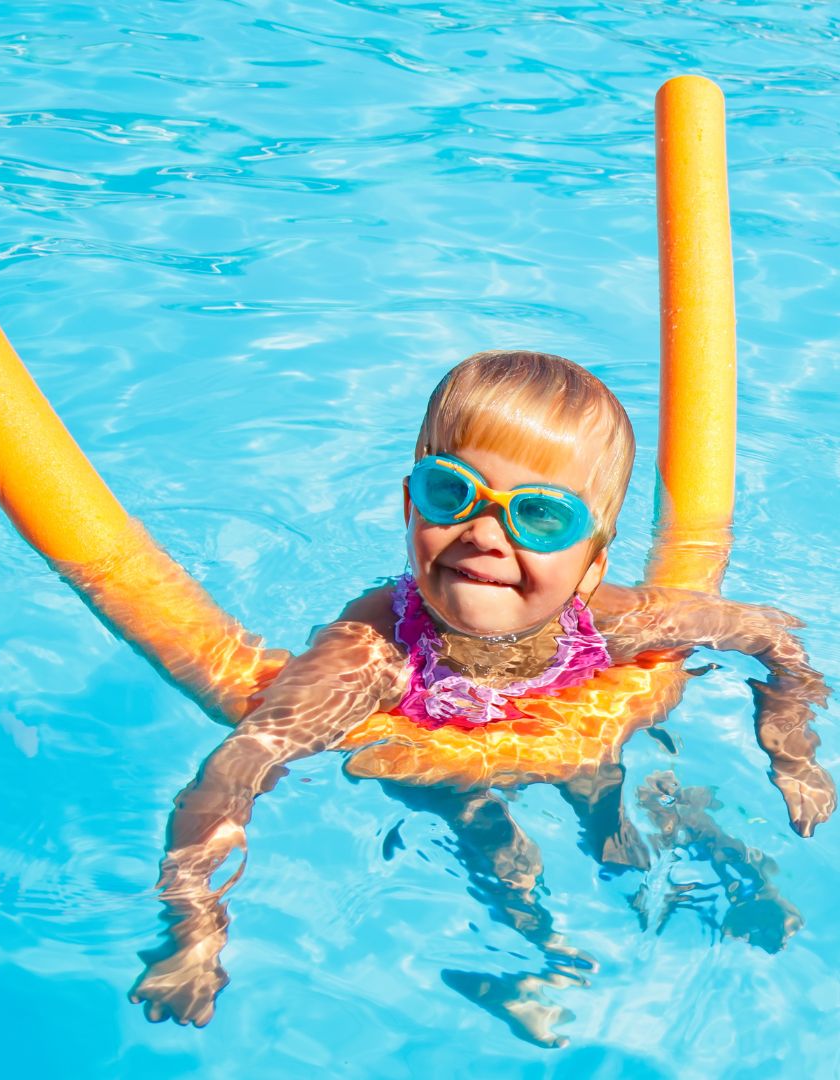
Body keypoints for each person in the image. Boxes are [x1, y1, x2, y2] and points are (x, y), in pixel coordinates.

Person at [129, 350, 835, 1031]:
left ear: (591, 565)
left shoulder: (611, 621)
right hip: (435, 756)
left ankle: (739, 886)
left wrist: (790, 747)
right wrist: (195, 927)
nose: (486, 534)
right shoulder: (373, 652)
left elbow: (769, 635)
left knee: (637, 806)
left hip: (574, 729)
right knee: (498, 856)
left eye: (541, 516)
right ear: (409, 506)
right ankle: (532, 961)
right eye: (452, 491)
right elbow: (234, 772)